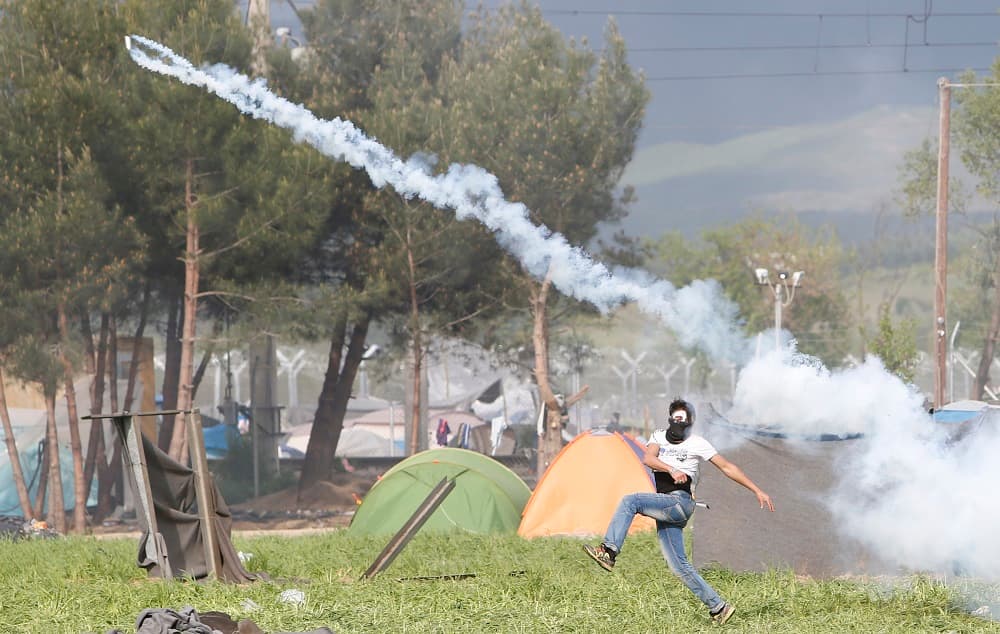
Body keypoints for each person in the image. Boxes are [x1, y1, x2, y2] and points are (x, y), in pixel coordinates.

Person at [583, 398, 775, 626]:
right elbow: (648, 458)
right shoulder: (657, 436)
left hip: (680, 502)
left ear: (690, 422)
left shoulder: (698, 443)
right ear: (670, 419)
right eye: (676, 419)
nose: (679, 424)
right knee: (679, 566)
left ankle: (609, 551)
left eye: (684, 420)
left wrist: (756, 490)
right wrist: (671, 469)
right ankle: (719, 607)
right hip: (666, 505)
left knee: (630, 500)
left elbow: (727, 467)